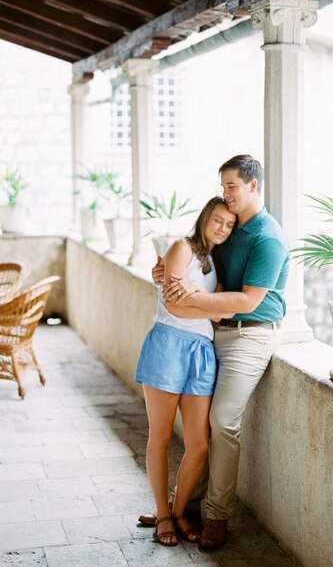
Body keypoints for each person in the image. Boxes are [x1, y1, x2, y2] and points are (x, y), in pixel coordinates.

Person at [141, 155, 289, 549]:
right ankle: (173, 509)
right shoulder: (232, 226)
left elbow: (245, 301)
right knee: (192, 430)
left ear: (253, 186)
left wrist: (193, 296)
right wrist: (164, 274)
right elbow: (192, 263)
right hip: (209, 336)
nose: (226, 195)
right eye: (223, 187)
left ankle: (216, 515)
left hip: (249, 334)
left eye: (232, 186)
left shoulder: (267, 237)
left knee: (221, 422)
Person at [134, 196, 236, 547]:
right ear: (206, 217)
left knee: (199, 444)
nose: (222, 228)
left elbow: (219, 311)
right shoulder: (182, 248)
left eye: (229, 224)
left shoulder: (216, 264)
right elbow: (174, 305)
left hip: (202, 353)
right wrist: (209, 309)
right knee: (160, 437)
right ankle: (163, 514)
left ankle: (179, 511)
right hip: (167, 346)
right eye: (218, 220)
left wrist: (208, 306)